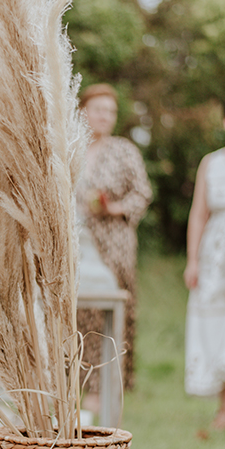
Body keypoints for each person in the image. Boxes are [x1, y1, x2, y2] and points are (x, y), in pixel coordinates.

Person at [76, 84, 152, 398]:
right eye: (99, 110)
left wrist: (114, 208)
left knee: (113, 308)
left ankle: (110, 386)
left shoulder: (124, 150)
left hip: (115, 241)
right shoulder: (71, 148)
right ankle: (80, 382)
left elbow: (143, 193)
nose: (105, 117)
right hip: (78, 240)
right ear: (83, 111)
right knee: (80, 310)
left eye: (110, 111)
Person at [184, 95, 225, 429]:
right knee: (216, 328)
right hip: (216, 255)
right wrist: (192, 261)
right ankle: (224, 408)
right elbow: (198, 214)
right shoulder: (211, 163)